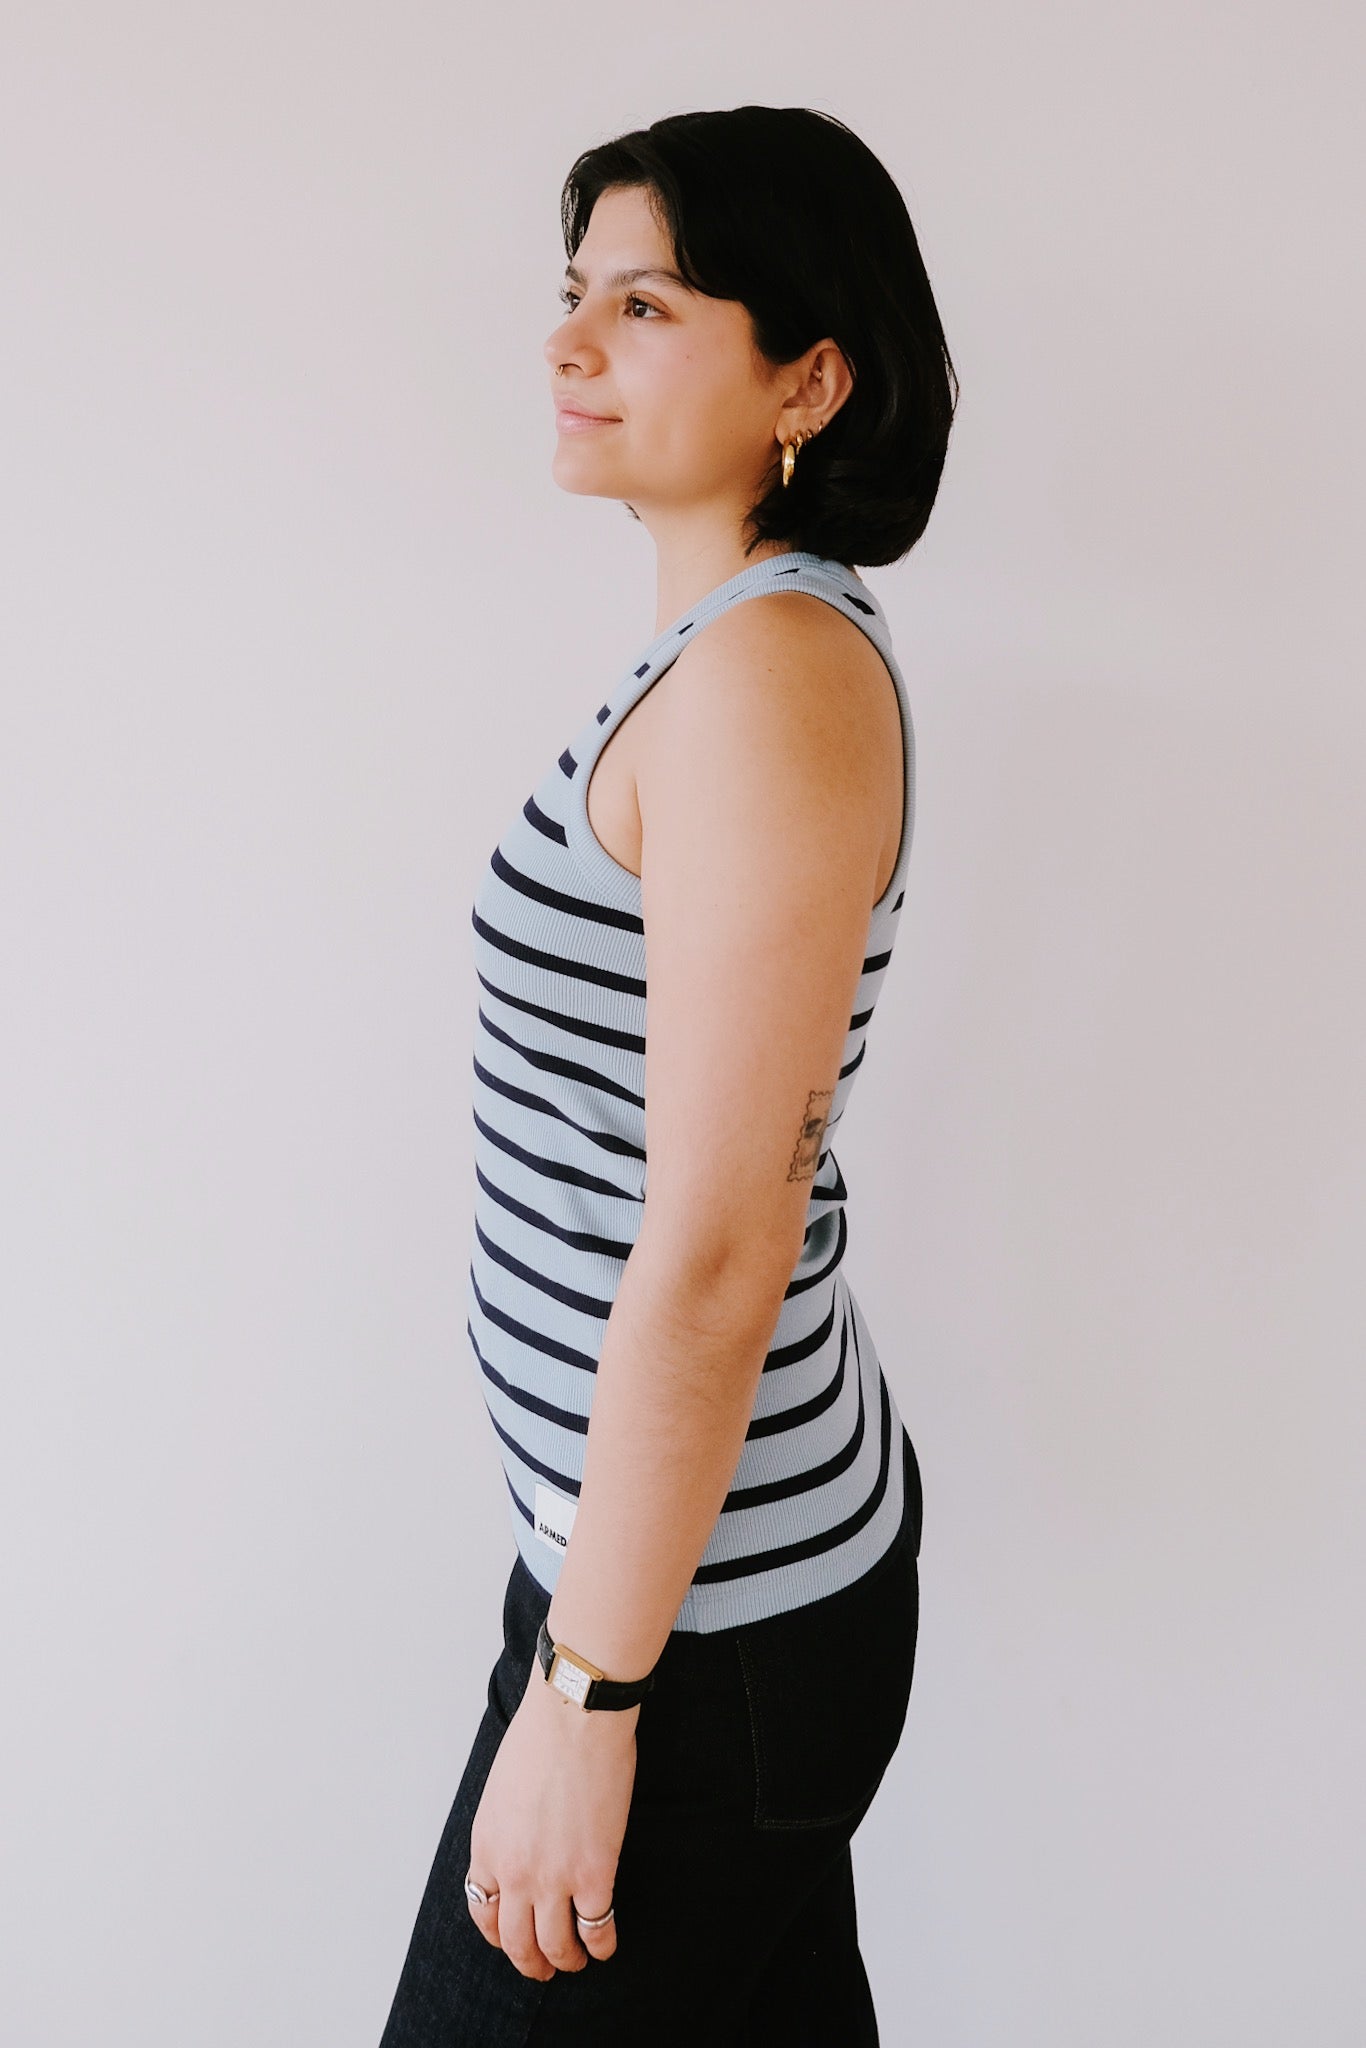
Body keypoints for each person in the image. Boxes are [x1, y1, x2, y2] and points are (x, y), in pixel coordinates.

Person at [378, 103, 957, 2046]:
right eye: (573, 295)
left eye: (642, 306)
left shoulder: (766, 681)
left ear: (808, 377)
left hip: (697, 1630)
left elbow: (716, 1242)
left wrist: (587, 1695)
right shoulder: (723, 651)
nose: (566, 344)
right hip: (676, 1571)